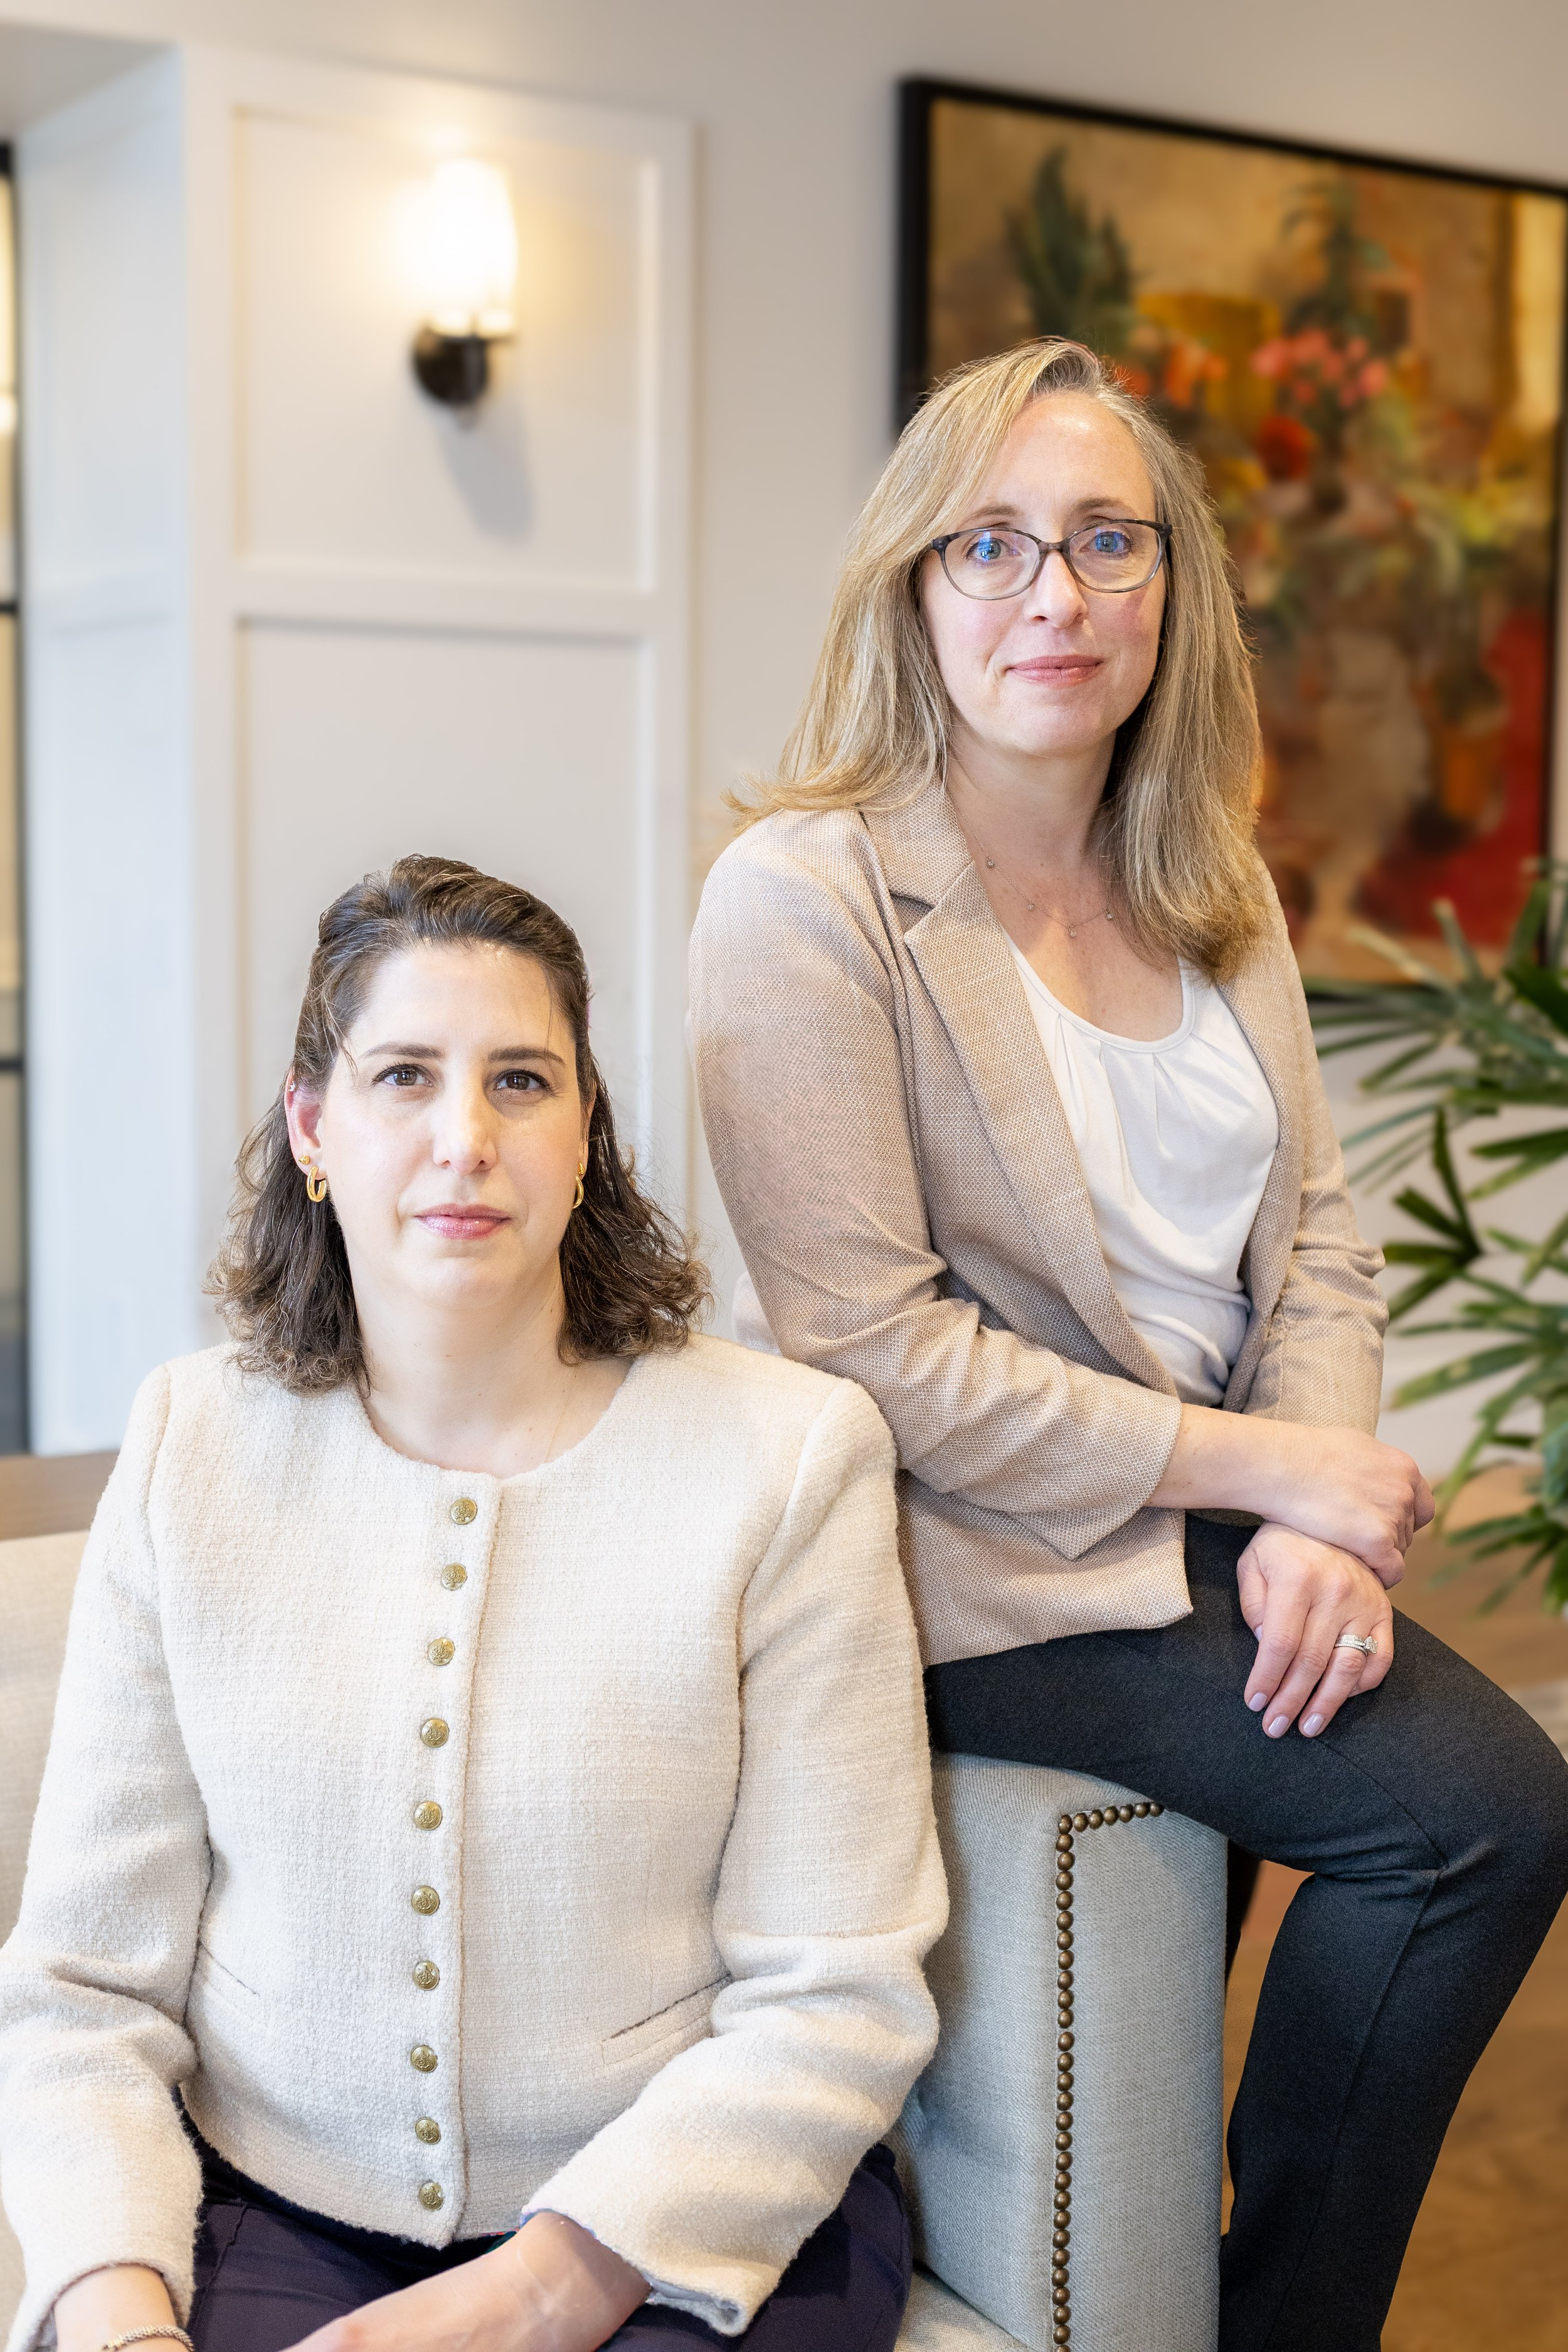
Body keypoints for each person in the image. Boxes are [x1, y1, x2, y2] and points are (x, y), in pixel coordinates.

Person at [688, 336, 1568, 2352]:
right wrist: (1268, 1473)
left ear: (1170, 587)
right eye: (988, 545)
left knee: (1337, 1879)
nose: (1051, 596)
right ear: (911, 586)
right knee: (1481, 1814)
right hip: (973, 1560)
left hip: (1201, 1530)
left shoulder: (1212, 876)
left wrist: (1320, 1527)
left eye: (1105, 541)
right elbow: (869, 1343)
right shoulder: (805, 897)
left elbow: (1317, 1246)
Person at [0, 856, 945, 2352]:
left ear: (585, 1136)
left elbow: (835, 1993)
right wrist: (122, 2326)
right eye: (402, 1078)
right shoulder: (191, 1449)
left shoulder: (786, 1458)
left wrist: (530, 2299)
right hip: (271, 2212)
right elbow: (74, 1992)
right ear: (313, 1127)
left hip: (683, 2230)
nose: (465, 1139)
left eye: (521, 1080)